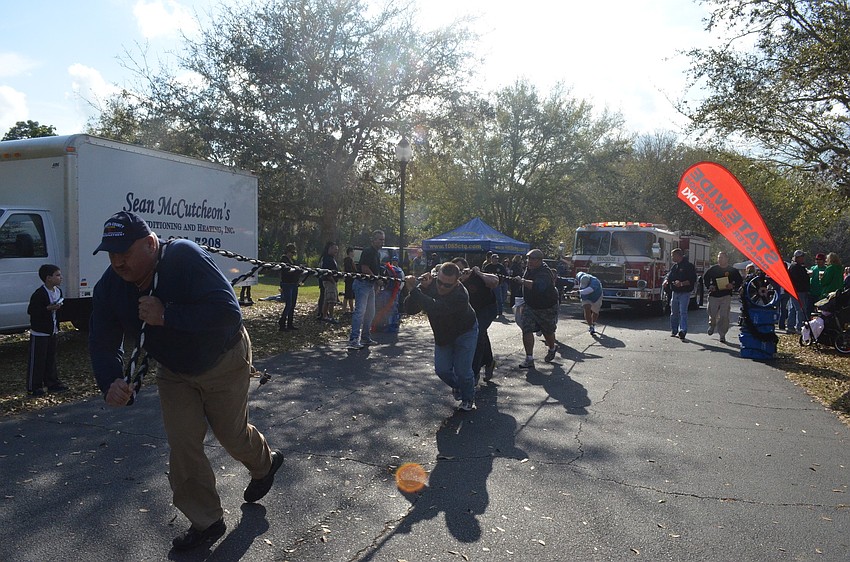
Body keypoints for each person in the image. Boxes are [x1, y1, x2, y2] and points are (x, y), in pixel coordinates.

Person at [88, 211, 283, 552]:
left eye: (125, 252)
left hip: (222, 358)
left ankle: (264, 464)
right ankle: (206, 521)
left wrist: (167, 314)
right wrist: (110, 380)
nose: (118, 261)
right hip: (175, 372)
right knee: (183, 444)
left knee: (231, 435)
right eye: (111, 253)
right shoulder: (111, 287)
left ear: (150, 244)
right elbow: (102, 339)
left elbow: (228, 311)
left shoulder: (184, 257)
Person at [403, 262, 479, 411]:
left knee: (463, 370)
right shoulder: (430, 285)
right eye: (440, 282)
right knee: (442, 370)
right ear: (437, 277)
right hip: (443, 334)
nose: (442, 287)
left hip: (465, 332)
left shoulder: (461, 295)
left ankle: (468, 398)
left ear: (457, 282)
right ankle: (460, 386)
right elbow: (410, 309)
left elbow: (436, 308)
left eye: (447, 285)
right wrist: (419, 287)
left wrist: (415, 290)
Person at [453, 257, 500, 382]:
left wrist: (478, 273)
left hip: (487, 309)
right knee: (481, 334)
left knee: (477, 334)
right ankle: (489, 362)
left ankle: (474, 372)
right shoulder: (455, 282)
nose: (460, 272)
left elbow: (495, 282)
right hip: (471, 312)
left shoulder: (477, 275)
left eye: (462, 269)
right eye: (457, 270)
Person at [513, 249, 559, 368]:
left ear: (540, 260)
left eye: (533, 259)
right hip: (530, 306)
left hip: (546, 307)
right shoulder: (529, 269)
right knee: (526, 329)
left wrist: (522, 281)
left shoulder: (545, 272)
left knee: (547, 331)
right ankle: (529, 358)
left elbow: (538, 287)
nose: (530, 261)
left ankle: (552, 348)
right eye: (528, 259)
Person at [26, 264, 67, 396]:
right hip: (40, 332)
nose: (61, 278)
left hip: (52, 330)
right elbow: (32, 311)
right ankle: (34, 386)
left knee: (51, 358)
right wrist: (47, 309)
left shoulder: (58, 291)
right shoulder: (39, 294)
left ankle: (52, 383)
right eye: (58, 275)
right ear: (48, 278)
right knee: (38, 359)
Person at [348, 230, 384, 350]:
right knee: (360, 312)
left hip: (370, 285)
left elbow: (376, 270)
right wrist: (376, 279)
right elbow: (364, 268)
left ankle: (365, 337)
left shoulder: (377, 254)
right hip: (362, 284)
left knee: (370, 312)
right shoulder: (368, 251)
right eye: (379, 239)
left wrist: (376, 284)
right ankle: (353, 339)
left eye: (383, 239)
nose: (381, 242)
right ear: (373, 240)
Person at [702, 251, 743, 343]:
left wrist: (733, 286)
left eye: (722, 258)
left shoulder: (732, 271)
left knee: (724, 316)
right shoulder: (713, 269)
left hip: (726, 295)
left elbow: (739, 281)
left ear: (726, 259)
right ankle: (712, 324)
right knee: (712, 313)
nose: (720, 259)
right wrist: (710, 286)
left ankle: (722, 334)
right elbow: (706, 278)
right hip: (714, 295)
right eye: (719, 258)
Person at [665, 247, 696, 340]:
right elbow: (669, 276)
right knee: (673, 312)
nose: (672, 258)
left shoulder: (688, 266)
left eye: (673, 256)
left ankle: (683, 330)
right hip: (675, 292)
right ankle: (674, 330)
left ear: (678, 256)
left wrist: (681, 283)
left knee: (683, 312)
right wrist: (666, 281)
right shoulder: (675, 266)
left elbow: (692, 280)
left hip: (685, 293)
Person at [278, 243, 301, 331]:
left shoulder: (293, 261)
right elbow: (286, 272)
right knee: (289, 304)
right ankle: (282, 322)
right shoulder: (284, 260)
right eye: (292, 252)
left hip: (294, 284)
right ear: (287, 251)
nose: (293, 254)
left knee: (293, 305)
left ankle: (290, 323)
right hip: (287, 284)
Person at [787, 250, 810, 334]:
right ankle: (799, 327)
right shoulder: (796, 267)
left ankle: (790, 326)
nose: (803, 258)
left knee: (793, 309)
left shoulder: (795, 266)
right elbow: (799, 280)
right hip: (799, 291)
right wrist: (807, 275)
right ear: (798, 257)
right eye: (802, 257)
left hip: (796, 290)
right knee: (800, 309)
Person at [319, 241, 340, 324]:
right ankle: (330, 316)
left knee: (327, 299)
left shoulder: (331, 258)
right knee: (331, 300)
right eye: (335, 249)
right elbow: (327, 272)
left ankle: (325, 315)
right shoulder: (327, 259)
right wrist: (332, 280)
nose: (336, 251)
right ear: (330, 248)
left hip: (330, 281)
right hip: (329, 281)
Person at [484, 253, 508, 317]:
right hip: (489, 285)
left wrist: (501, 281)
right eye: (495, 258)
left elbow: (505, 274)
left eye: (497, 258)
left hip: (497, 285)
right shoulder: (488, 266)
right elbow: (484, 275)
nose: (496, 260)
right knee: (488, 298)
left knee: (499, 298)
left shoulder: (500, 266)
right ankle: (488, 311)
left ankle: (500, 312)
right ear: (492, 259)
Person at [342, 247, 356, 314]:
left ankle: (348, 309)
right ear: (350, 252)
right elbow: (349, 270)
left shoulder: (349, 260)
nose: (354, 253)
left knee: (348, 295)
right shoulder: (348, 260)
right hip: (349, 280)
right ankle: (348, 310)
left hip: (350, 280)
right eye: (353, 252)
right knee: (348, 295)